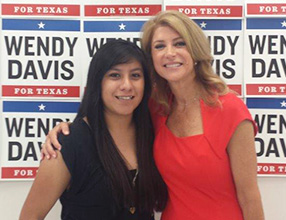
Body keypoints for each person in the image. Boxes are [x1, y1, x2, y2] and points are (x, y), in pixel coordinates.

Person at [41, 11, 264, 220]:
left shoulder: (230, 109)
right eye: (159, 46)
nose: (170, 53)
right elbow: (109, 111)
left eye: (180, 43)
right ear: (152, 59)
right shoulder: (155, 107)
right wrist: (65, 130)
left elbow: (249, 197)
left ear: (195, 50)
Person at [19, 39, 168, 220]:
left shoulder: (152, 133)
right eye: (115, 75)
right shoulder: (69, 143)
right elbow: (30, 216)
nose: (127, 85)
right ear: (98, 82)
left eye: (135, 75)